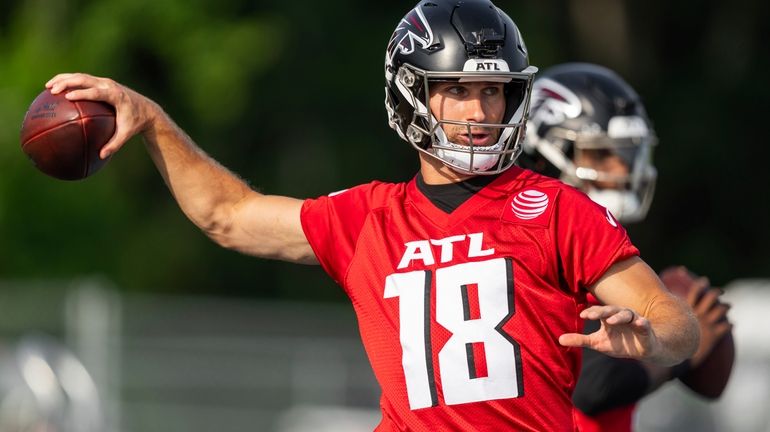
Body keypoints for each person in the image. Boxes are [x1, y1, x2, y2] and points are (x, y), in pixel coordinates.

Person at [43, 1, 700, 430]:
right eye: (458, 91)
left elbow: (677, 324)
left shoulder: (556, 209)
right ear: (412, 95)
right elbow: (227, 214)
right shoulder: (368, 218)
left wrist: (651, 338)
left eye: (493, 91)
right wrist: (153, 120)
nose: (479, 113)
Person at [520, 62, 735, 431]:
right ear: (546, 155)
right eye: (601, 154)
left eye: (626, 153)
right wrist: (679, 349)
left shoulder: (602, 248)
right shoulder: (528, 246)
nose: (621, 170)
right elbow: (589, 384)